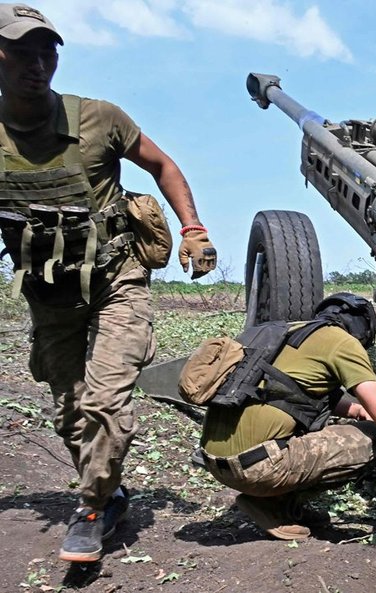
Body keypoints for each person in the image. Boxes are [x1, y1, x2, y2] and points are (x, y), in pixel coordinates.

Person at [0, 4, 217, 562]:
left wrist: (193, 229)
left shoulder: (99, 119)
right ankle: (112, 492)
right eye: (21, 52)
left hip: (118, 278)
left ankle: (92, 508)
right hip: (48, 293)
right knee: (70, 407)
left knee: (105, 401)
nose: (38, 64)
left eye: (47, 51)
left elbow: (162, 165)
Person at [198, 294, 376, 540]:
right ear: (363, 330)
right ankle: (272, 502)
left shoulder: (285, 332)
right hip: (258, 468)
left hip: (215, 462)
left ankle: (273, 498)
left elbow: (289, 390)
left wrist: (357, 409)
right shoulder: (343, 342)